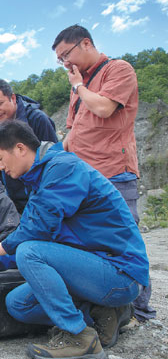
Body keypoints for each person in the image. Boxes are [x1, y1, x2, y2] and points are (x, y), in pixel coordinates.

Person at [0, 120, 149, 359]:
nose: (1, 168)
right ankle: (105, 313)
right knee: (17, 304)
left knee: (29, 252)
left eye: (1, 159)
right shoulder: (41, 180)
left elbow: (35, 232)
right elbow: (38, 235)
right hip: (94, 274)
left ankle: (79, 337)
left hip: (120, 274)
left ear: (20, 149)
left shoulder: (63, 168)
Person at [52, 24, 155, 323]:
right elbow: (72, 133)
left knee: (125, 241)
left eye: (66, 55)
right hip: (84, 177)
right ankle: (109, 308)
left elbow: (105, 109)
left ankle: (139, 310)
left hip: (114, 172)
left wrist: (78, 87)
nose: (65, 64)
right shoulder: (79, 85)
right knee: (91, 240)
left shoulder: (118, 70)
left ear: (86, 43)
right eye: (60, 60)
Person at [0, 79, 57, 213]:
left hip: (44, 193)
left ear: (12, 98)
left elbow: (53, 158)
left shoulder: (37, 119)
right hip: (12, 197)